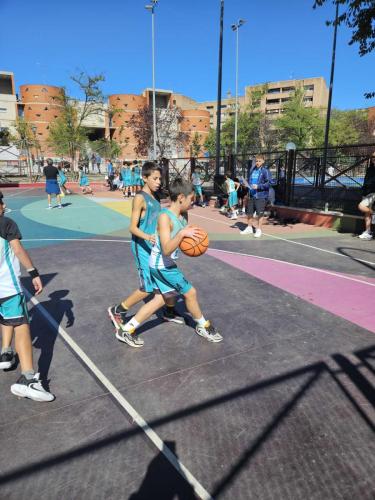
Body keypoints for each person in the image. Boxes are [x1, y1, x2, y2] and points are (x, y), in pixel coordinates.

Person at [117, 178, 223, 346]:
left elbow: (181, 242)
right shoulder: (164, 218)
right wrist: (182, 235)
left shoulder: (183, 215)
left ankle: (126, 330)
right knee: (190, 292)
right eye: (191, 199)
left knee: (159, 300)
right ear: (181, 197)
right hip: (162, 265)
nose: (193, 203)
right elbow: (166, 249)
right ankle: (203, 325)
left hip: (163, 264)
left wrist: (192, 240)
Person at [108, 162, 183, 348]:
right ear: (144, 178)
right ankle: (118, 310)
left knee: (168, 282)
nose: (158, 182)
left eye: (160, 178)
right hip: (142, 246)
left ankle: (168, 311)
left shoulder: (155, 196)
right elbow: (132, 227)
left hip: (154, 246)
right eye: (155, 178)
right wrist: (148, 236)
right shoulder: (140, 198)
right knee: (147, 288)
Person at [0, 191, 54, 402]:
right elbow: (18, 249)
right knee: (22, 324)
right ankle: (28, 378)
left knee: (7, 318)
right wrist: (33, 272)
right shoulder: (6, 223)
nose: (3, 205)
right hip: (7, 286)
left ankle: (5, 353)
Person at [240, 155, 271, 238]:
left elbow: (268, 183)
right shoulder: (253, 170)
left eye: (259, 161)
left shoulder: (265, 171)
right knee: (249, 213)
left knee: (259, 214)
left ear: (263, 161)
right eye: (256, 161)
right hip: (251, 195)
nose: (257, 162)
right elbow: (250, 181)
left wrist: (258, 186)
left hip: (260, 196)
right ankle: (249, 228)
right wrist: (246, 184)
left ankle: (259, 229)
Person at [358, 152, 375, 240]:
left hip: (373, 193)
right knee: (366, 213)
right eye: (372, 157)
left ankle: (374, 213)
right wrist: (363, 192)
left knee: (361, 206)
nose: (373, 158)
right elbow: (366, 181)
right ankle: (368, 231)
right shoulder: (370, 169)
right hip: (367, 192)